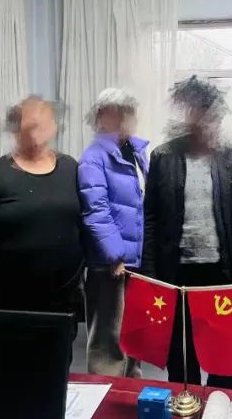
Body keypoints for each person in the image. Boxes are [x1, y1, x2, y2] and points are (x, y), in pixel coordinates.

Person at [142, 76, 232, 390]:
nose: (198, 116)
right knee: (181, 353)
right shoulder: (163, 157)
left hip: (220, 271)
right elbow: (150, 217)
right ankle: (184, 404)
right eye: (191, 109)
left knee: (222, 355)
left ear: (215, 112)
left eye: (204, 109)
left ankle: (220, 404)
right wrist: (150, 272)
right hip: (175, 273)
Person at [0, 96, 83, 319]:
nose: (38, 128)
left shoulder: (71, 168)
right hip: (9, 303)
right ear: (15, 129)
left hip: (65, 303)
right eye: (31, 122)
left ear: (54, 126)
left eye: (45, 120)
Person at [78, 88, 149, 377]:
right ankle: (105, 398)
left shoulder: (136, 152)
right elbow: (96, 210)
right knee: (108, 342)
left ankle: (131, 395)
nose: (125, 120)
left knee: (133, 339)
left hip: (136, 263)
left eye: (128, 113)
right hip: (110, 265)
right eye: (118, 114)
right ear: (100, 117)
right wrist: (115, 255)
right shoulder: (94, 157)